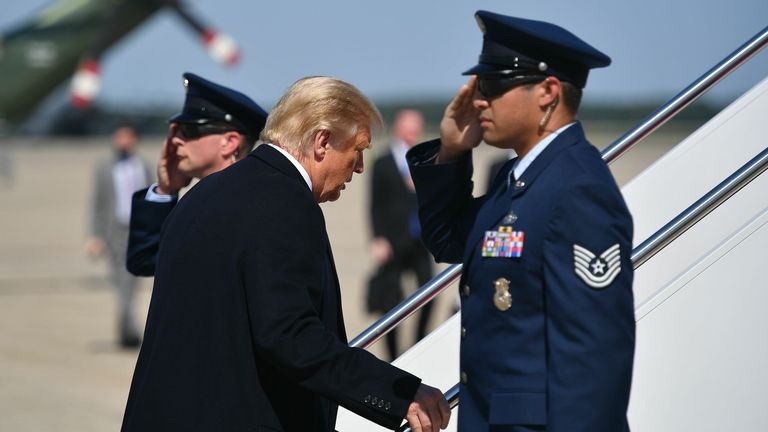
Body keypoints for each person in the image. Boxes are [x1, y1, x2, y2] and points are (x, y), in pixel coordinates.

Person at [121, 77, 451, 432]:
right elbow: (291, 337)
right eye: (357, 151)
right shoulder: (287, 203)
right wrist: (401, 393)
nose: (358, 168)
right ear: (322, 141)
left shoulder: (202, 194)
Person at [406, 11, 635, 431]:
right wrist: (453, 153)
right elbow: (448, 240)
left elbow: (594, 361)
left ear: (548, 91)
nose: (478, 100)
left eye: (492, 86)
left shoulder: (577, 190)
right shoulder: (519, 179)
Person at [126, 72, 267, 276]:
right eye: (176, 131)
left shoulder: (252, 205)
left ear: (229, 142)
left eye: (189, 131)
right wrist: (166, 189)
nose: (176, 140)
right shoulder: (202, 202)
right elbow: (145, 261)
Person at [368, 109, 434, 360]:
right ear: (398, 128)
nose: (414, 134)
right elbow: (373, 204)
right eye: (410, 128)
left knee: (429, 292)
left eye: (417, 129)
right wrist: (377, 238)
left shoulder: (423, 158)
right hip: (392, 240)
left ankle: (419, 342)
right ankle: (394, 355)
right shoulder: (382, 162)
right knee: (390, 300)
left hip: (420, 240)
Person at [85, 125, 150, 348]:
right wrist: (95, 236)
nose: (123, 141)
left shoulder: (143, 165)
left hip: (138, 230)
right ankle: (129, 329)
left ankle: (127, 328)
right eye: (119, 136)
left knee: (131, 282)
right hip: (115, 232)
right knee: (120, 280)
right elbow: (97, 203)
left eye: (128, 137)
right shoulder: (104, 167)